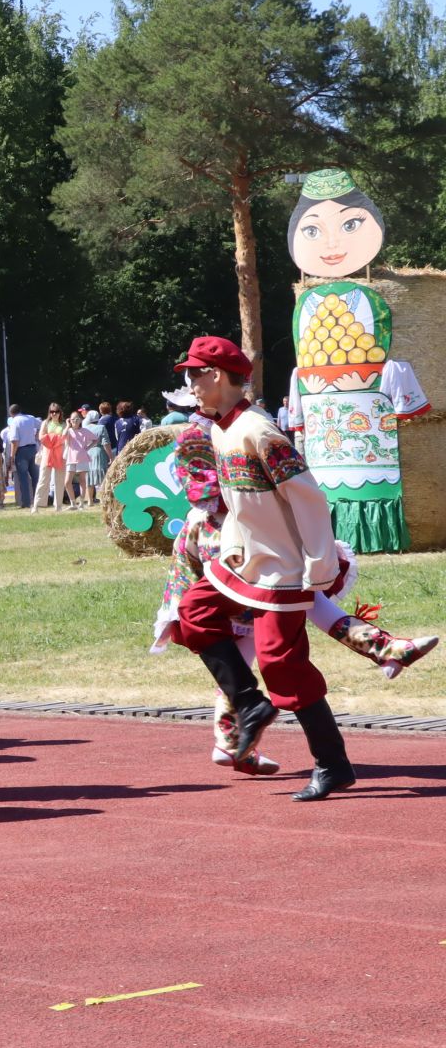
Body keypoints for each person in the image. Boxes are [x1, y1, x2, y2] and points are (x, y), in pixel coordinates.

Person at [150, 409, 436, 777]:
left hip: (229, 602)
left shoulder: (200, 519)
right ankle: (382, 650)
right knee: (294, 621)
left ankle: (233, 741)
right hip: (251, 593)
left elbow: (186, 571)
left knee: (241, 669)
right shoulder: (246, 502)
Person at [165, 338, 360, 801]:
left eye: (195, 374)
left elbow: (309, 499)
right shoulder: (219, 430)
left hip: (284, 569)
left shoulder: (261, 431)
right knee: (192, 612)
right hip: (246, 562)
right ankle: (251, 704)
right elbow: (237, 504)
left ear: (217, 375)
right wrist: (231, 548)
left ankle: (333, 764)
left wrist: (318, 566)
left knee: (280, 661)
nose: (190, 383)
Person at [32, 404, 69, 511]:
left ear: (60, 412)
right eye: (52, 412)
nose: (54, 414)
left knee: (59, 481)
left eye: (56, 411)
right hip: (47, 454)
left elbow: (65, 437)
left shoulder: (63, 424)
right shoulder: (45, 423)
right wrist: (56, 439)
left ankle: (58, 506)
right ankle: (36, 505)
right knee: (43, 480)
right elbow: (41, 438)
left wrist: (53, 438)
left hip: (60, 455)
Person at [6, 404, 41, 508]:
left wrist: (12, 456)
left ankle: (26, 502)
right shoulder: (30, 418)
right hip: (33, 448)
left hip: (21, 451)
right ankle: (39, 500)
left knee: (23, 478)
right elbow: (43, 425)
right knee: (36, 477)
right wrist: (37, 435)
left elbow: (14, 441)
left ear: (11, 414)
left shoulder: (14, 422)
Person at [64, 409, 94, 509]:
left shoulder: (84, 431)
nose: (75, 421)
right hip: (70, 457)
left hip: (82, 457)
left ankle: (81, 502)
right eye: (72, 419)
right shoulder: (69, 431)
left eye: (77, 419)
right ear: (69, 420)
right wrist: (67, 425)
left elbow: (95, 439)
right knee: (67, 482)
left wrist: (88, 447)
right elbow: (62, 437)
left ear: (81, 420)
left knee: (82, 480)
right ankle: (73, 503)